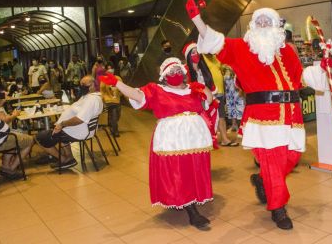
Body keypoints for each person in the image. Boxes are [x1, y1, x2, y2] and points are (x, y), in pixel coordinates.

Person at [186, 0, 331, 230]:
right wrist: (197, 20)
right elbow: (215, 42)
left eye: (268, 21)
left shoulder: (287, 52)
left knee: (290, 159)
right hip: (263, 118)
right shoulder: (241, 48)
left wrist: (322, 68)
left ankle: (263, 180)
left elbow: (301, 77)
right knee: (273, 163)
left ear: (276, 26)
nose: (263, 24)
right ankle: (278, 208)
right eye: (259, 21)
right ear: (252, 26)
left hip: (291, 117)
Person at [100, 57, 214, 229]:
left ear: (183, 73)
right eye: (170, 72)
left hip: (195, 138)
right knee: (179, 171)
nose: (175, 74)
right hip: (172, 140)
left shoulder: (192, 88)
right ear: (163, 75)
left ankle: (187, 199)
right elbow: (137, 95)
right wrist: (117, 83)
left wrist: (202, 87)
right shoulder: (157, 90)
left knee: (194, 169)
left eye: (177, 71)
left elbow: (209, 100)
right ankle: (192, 212)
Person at [35, 76, 103, 169]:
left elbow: (79, 119)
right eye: (81, 84)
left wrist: (62, 124)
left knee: (40, 137)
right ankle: (68, 158)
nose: (81, 86)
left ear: (93, 85)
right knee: (56, 132)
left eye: (84, 84)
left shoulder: (92, 99)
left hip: (79, 131)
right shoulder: (89, 96)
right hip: (79, 129)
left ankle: (63, 159)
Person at [183, 42, 237, 147]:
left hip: (211, 98)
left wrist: (212, 95)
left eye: (197, 52)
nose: (196, 54)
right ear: (188, 55)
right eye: (193, 52)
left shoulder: (203, 68)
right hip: (194, 104)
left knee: (219, 116)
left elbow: (210, 83)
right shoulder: (185, 70)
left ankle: (222, 139)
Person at [100, 64, 122, 137]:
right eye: (108, 69)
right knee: (114, 115)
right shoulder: (104, 79)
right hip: (108, 100)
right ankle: (115, 131)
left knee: (117, 115)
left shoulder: (118, 78)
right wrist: (103, 99)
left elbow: (122, 88)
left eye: (111, 68)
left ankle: (111, 123)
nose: (110, 70)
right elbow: (102, 91)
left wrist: (124, 95)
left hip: (117, 100)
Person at [223, 65, 245, 132]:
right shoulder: (224, 65)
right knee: (231, 107)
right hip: (229, 90)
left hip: (237, 89)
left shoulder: (237, 62)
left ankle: (242, 126)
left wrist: (242, 90)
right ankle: (234, 125)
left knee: (241, 107)